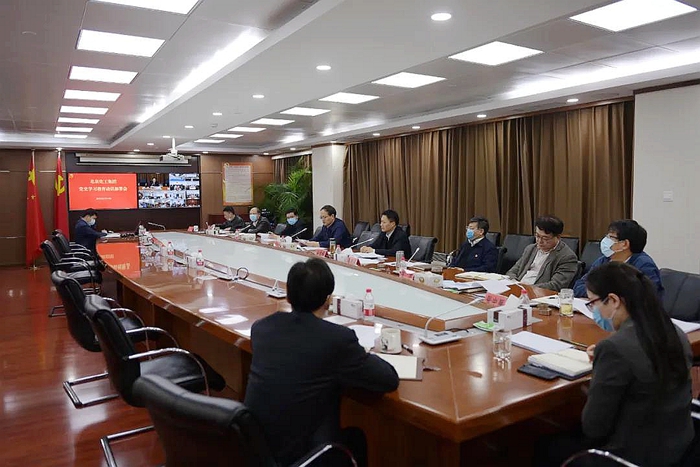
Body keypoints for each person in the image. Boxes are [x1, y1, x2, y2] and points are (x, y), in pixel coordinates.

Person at [535, 262, 693, 467]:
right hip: (678, 446)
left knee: (542, 446)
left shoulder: (615, 348)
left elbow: (594, 428)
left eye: (592, 303)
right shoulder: (675, 332)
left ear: (613, 300)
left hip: (630, 456)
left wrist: (602, 368)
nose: (593, 311)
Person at [244, 258, 399, 466]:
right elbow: (388, 379)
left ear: (288, 295)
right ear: (328, 299)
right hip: (303, 456)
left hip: (254, 449)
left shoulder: (261, 328)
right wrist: (362, 353)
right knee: (355, 438)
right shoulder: (337, 340)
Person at [574, 219, 663, 299]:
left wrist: (600, 293)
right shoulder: (604, 260)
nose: (605, 240)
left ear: (625, 244)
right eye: (606, 236)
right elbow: (579, 287)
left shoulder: (644, 265)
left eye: (610, 237)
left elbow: (646, 298)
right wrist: (603, 294)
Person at [506, 215, 577, 291]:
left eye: (545, 238)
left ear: (558, 237)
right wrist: (515, 284)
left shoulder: (567, 257)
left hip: (540, 294)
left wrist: (527, 289)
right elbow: (512, 271)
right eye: (537, 236)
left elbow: (556, 285)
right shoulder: (530, 249)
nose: (539, 241)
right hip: (518, 289)